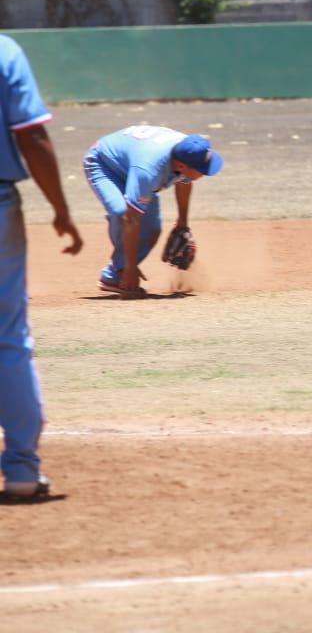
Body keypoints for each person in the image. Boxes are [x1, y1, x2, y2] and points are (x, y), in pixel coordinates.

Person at [0, 36, 83, 502]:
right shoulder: (4, 52)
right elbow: (30, 135)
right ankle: (21, 471)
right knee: (7, 338)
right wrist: (61, 209)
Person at [83, 126, 223, 299]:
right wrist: (130, 267)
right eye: (201, 169)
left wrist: (183, 224)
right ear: (181, 165)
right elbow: (131, 219)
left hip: (133, 164)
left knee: (152, 228)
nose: (205, 172)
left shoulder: (186, 150)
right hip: (104, 163)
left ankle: (117, 271)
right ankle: (118, 273)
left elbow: (184, 180)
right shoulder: (149, 170)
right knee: (122, 212)